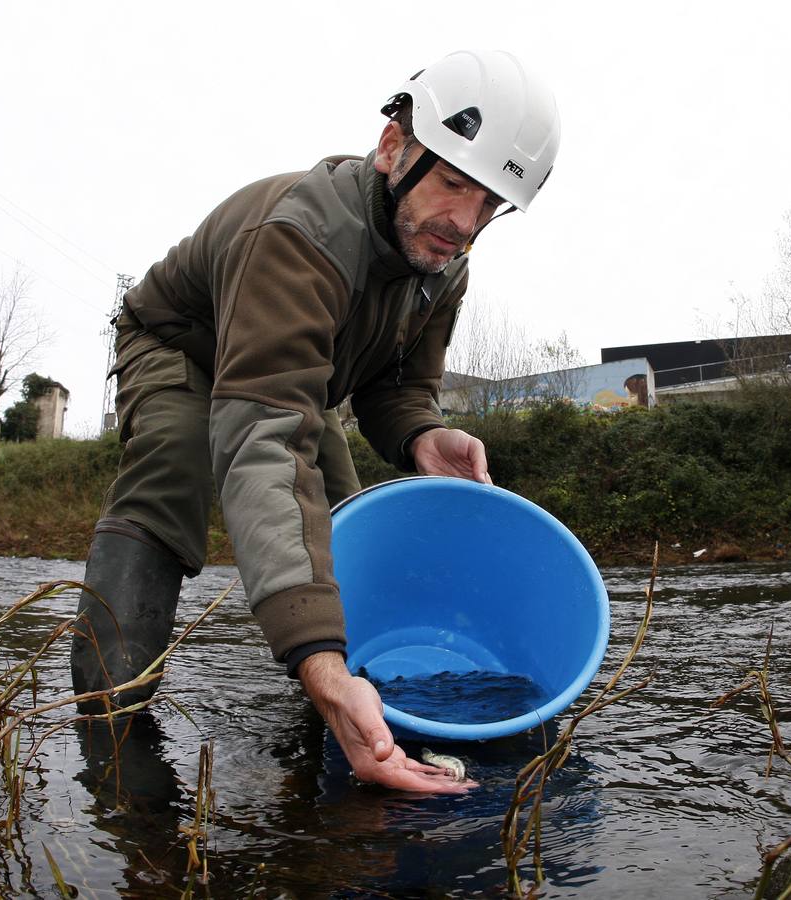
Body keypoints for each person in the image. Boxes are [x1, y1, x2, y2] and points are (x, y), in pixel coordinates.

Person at [70, 50, 560, 793]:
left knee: (340, 513)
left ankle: (346, 711)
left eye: (491, 202)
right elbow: (263, 443)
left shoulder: (445, 262)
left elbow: (398, 387)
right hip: (181, 346)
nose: (465, 223)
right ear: (394, 147)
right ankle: (110, 722)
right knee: (175, 461)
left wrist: (424, 433)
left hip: (298, 379)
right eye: (455, 182)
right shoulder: (295, 237)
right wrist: (316, 659)